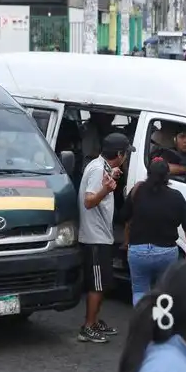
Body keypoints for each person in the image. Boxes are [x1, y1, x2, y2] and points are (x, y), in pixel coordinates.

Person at [77, 132, 133, 343]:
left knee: (102, 283)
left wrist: (112, 176)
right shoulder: (98, 169)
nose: (126, 157)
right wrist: (106, 190)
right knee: (97, 285)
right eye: (126, 153)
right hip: (95, 238)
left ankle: (95, 320)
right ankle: (88, 327)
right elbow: (89, 201)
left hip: (102, 236)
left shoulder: (102, 166)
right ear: (119, 154)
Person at [118, 158, 186, 305]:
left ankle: (142, 324)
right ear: (167, 176)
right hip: (166, 253)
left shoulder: (137, 191)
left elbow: (123, 216)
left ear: (148, 174)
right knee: (164, 292)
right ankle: (160, 324)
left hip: (138, 251)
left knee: (140, 291)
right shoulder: (176, 196)